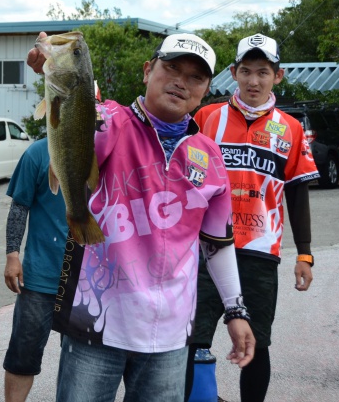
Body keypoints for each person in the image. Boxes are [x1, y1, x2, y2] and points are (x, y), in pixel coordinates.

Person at [27, 32, 255, 402]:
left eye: (196, 77)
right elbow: (75, 115)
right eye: (171, 68)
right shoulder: (110, 121)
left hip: (170, 333)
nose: (181, 81)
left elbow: (217, 243)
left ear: (206, 90)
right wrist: (48, 71)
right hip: (97, 321)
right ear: (148, 71)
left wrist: (236, 309)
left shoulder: (211, 156)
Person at [187, 34, 319, 402]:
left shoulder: (290, 129)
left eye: (263, 72)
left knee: (256, 344)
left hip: (260, 251)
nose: (253, 81)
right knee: (190, 339)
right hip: (204, 248)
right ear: (233, 73)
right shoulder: (206, 117)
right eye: (246, 71)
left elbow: (297, 191)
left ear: (278, 76)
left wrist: (304, 254)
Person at [2, 137, 68, 402]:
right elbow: (20, 207)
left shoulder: (107, 149)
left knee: (82, 361)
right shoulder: (38, 152)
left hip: (90, 280)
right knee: (23, 354)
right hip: (41, 275)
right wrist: (12, 256)